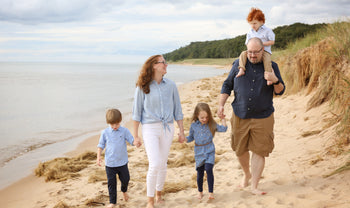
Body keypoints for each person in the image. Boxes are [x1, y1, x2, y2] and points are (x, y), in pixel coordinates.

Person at [218, 37, 285, 195]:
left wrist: (275, 80)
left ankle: (254, 185)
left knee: (259, 150)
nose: (253, 55)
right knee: (239, 149)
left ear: (263, 50)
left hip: (263, 116)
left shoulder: (272, 66)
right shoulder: (238, 64)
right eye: (250, 52)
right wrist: (221, 104)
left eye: (256, 52)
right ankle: (246, 174)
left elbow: (280, 91)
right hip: (240, 114)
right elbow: (227, 85)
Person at [132, 55, 185, 208]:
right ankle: (150, 201)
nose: (166, 65)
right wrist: (135, 136)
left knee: (162, 164)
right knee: (154, 163)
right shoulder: (142, 86)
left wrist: (181, 131)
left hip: (167, 128)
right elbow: (136, 113)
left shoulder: (171, 85)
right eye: (163, 63)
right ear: (155, 66)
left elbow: (178, 110)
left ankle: (159, 194)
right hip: (150, 128)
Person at [97, 108, 141, 208]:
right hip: (110, 164)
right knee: (111, 184)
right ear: (108, 123)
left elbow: (131, 141)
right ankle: (113, 202)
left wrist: (136, 142)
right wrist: (98, 156)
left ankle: (124, 190)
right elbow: (101, 145)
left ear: (120, 121)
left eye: (116, 124)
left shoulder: (124, 131)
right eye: (112, 124)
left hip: (122, 162)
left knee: (126, 179)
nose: (115, 126)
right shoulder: (105, 132)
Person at [186, 103, 227, 200]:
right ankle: (200, 192)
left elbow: (224, 129)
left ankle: (211, 193)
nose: (204, 119)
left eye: (206, 117)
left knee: (209, 169)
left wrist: (223, 119)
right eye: (202, 117)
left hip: (209, 150)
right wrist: (183, 138)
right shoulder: (193, 126)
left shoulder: (211, 124)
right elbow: (190, 138)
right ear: (197, 115)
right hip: (198, 152)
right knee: (200, 173)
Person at [237, 7, 275, 85]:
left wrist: (261, 44)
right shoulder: (250, 33)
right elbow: (247, 43)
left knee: (267, 60)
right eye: (251, 23)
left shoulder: (268, 31)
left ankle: (268, 77)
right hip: (252, 51)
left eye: (254, 23)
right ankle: (241, 69)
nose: (252, 25)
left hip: (264, 51)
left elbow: (272, 42)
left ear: (261, 22)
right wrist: (251, 48)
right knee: (242, 54)